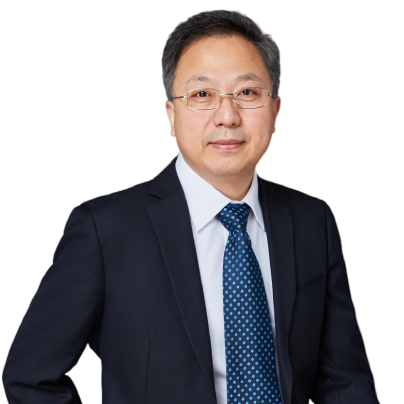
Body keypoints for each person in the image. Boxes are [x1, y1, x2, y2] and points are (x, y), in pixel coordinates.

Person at [2, 9, 379, 404]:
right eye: (202, 95)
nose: (227, 117)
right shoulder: (104, 229)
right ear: (171, 114)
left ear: (275, 112)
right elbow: (31, 378)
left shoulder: (312, 219)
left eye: (247, 93)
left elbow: (344, 382)